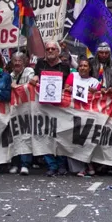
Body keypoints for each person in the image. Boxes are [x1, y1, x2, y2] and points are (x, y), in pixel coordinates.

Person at [31, 40, 72, 177]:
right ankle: (51, 165)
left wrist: (68, 87)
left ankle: (61, 165)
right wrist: (35, 78)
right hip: (43, 107)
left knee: (60, 135)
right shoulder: (40, 64)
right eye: (47, 49)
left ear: (58, 51)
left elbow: (68, 83)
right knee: (45, 135)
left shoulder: (65, 66)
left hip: (60, 107)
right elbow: (36, 77)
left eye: (52, 49)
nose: (49, 51)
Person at [65, 58, 101, 177]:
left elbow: (100, 98)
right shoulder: (72, 76)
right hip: (72, 113)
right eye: (81, 66)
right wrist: (69, 89)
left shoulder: (95, 82)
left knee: (87, 140)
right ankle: (80, 167)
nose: (83, 68)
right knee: (74, 140)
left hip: (89, 115)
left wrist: (94, 92)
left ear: (90, 68)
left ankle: (88, 164)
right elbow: (65, 89)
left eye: (85, 66)